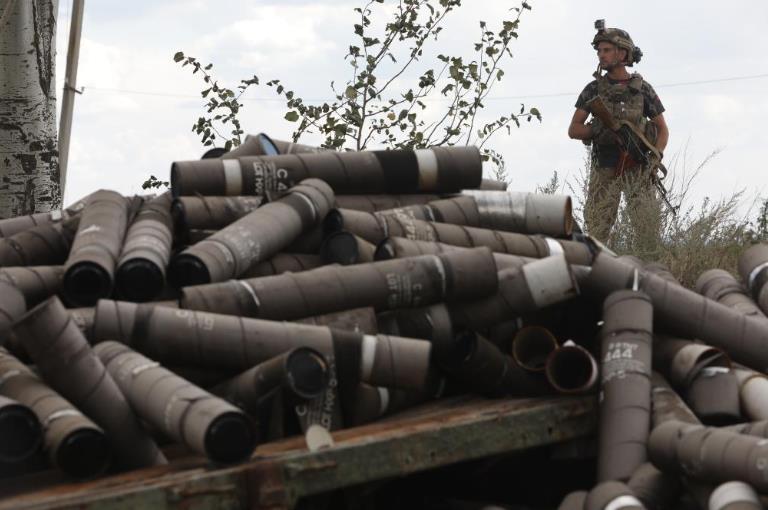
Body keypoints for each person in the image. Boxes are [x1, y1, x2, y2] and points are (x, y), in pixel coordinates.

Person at [568, 22, 669, 245]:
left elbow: (662, 130)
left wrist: (655, 157)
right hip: (604, 166)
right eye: (599, 51)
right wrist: (599, 129)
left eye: (606, 50)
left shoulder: (642, 89)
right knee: (597, 231)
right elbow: (574, 129)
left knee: (647, 231)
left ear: (622, 53)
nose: (600, 55)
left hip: (637, 166)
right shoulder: (593, 89)